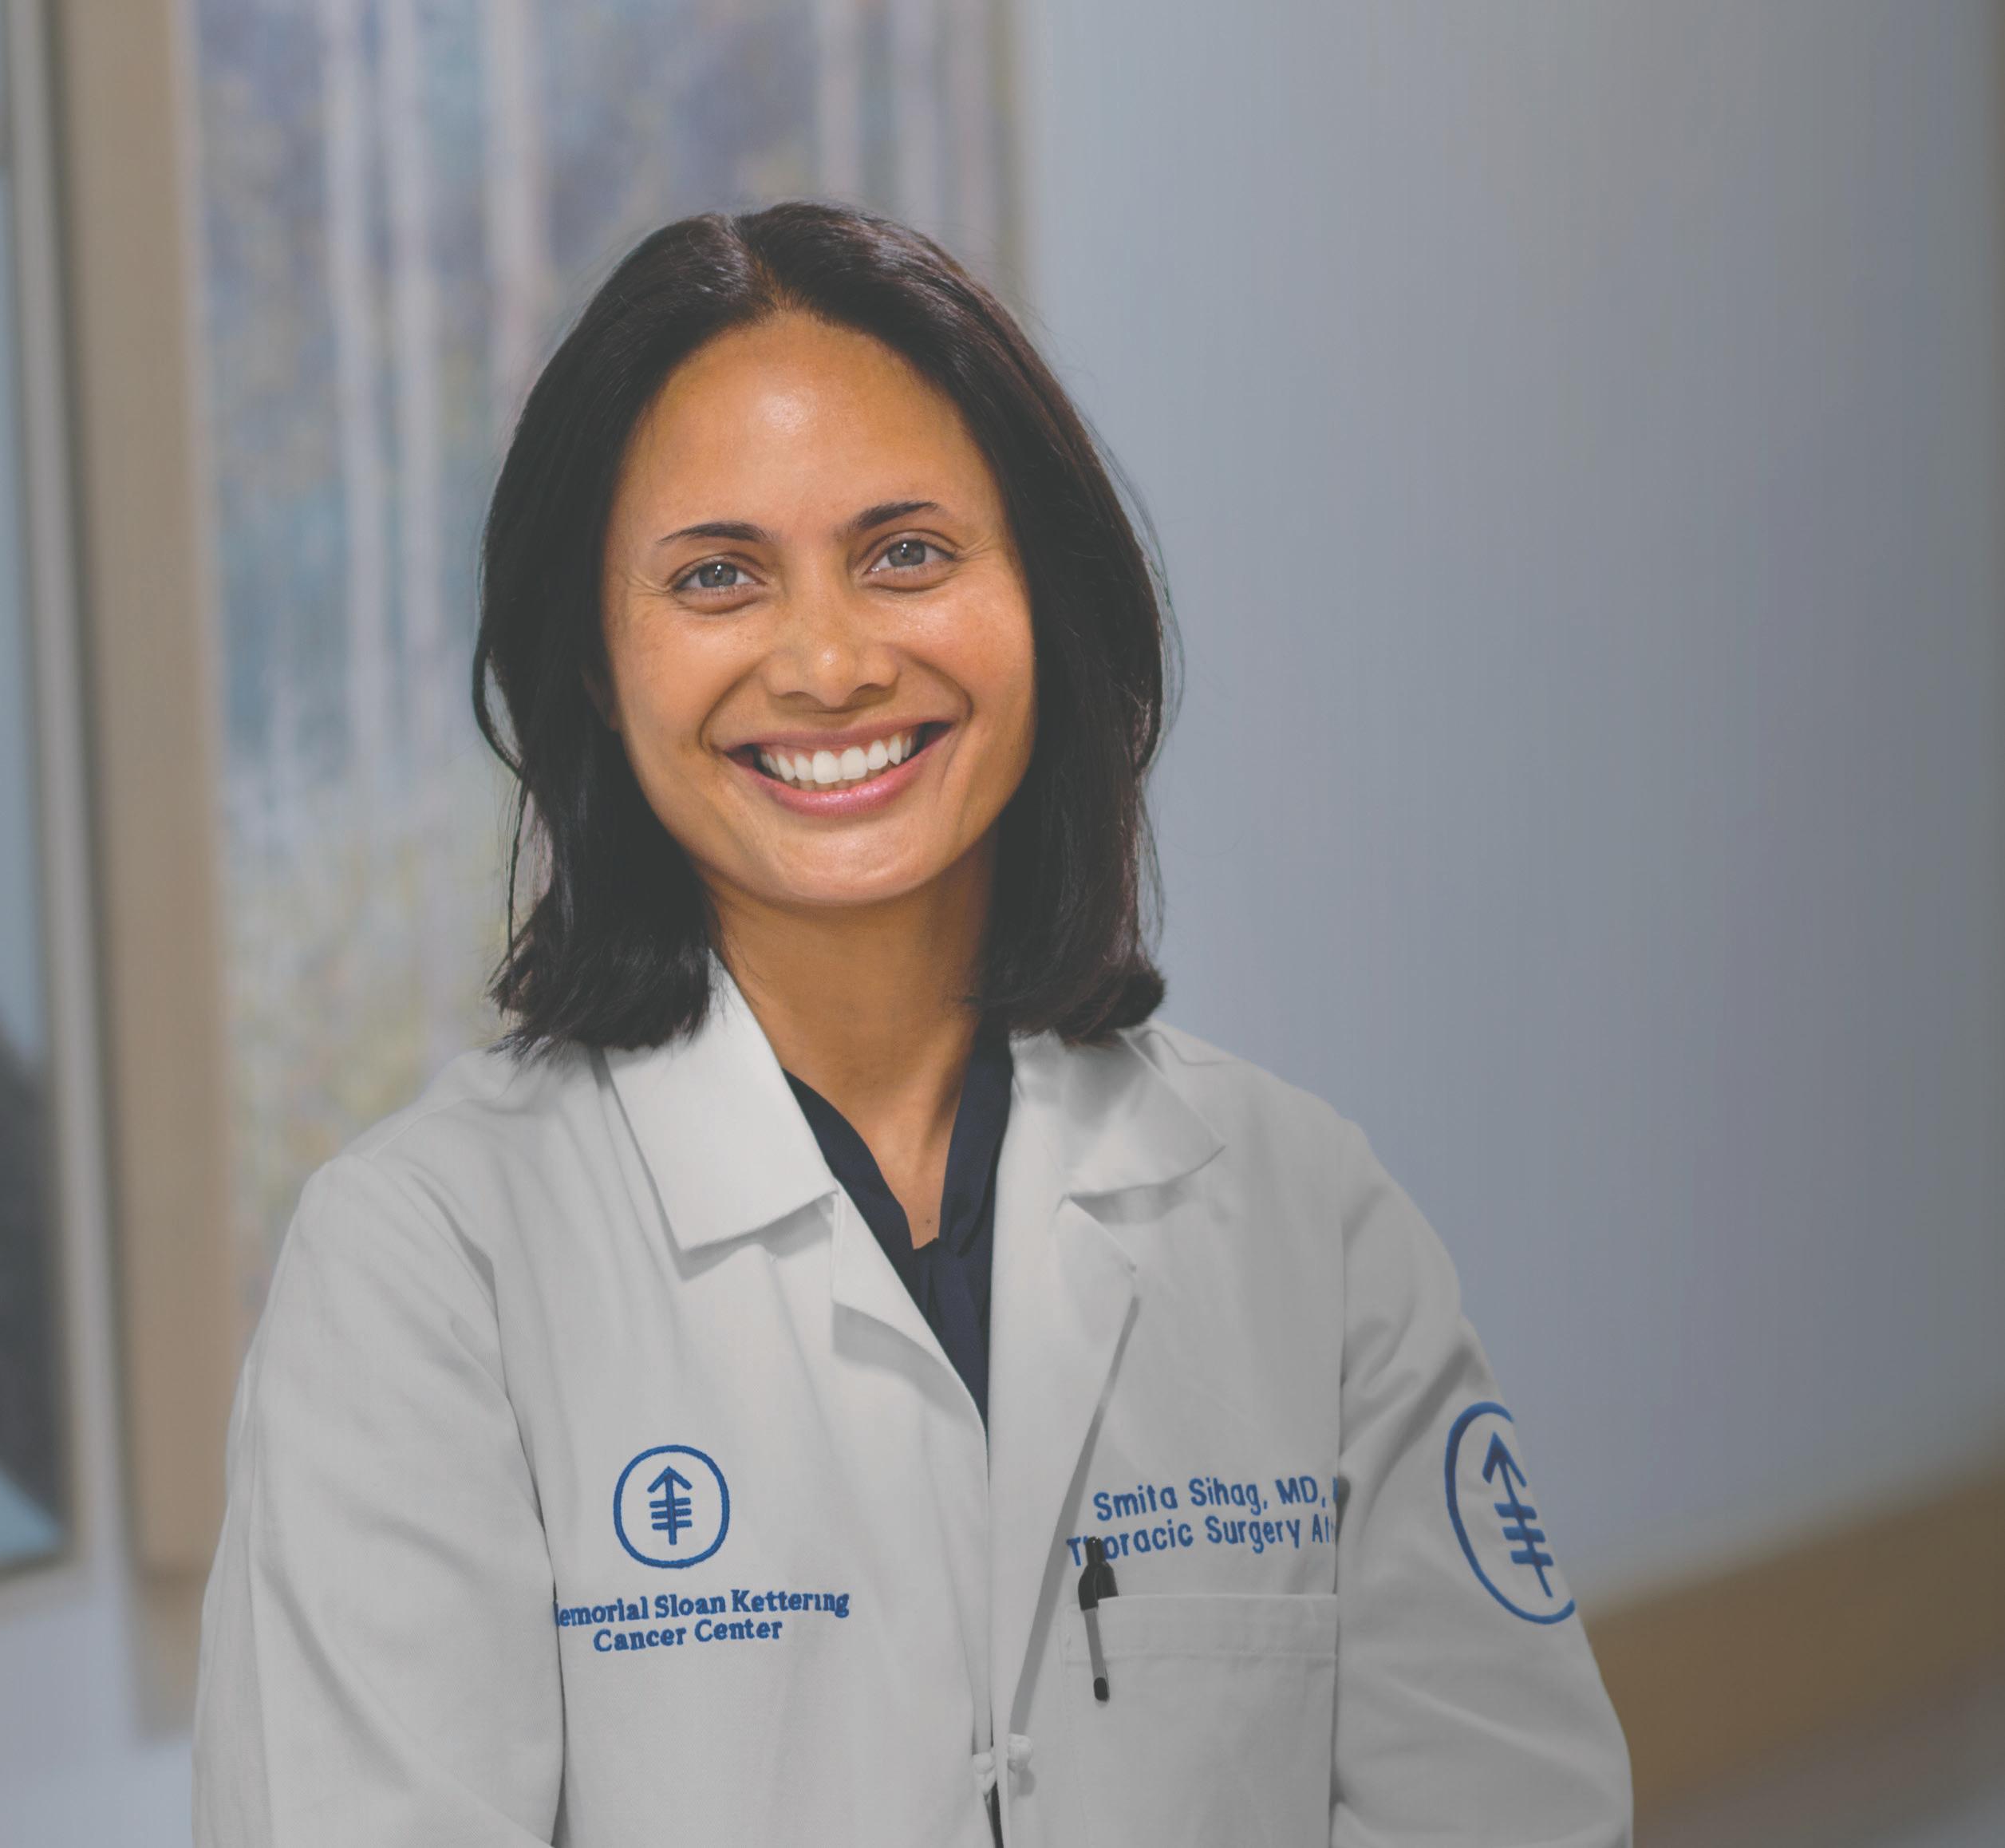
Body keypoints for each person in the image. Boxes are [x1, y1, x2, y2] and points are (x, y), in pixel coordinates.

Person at [192, 201, 1632, 1847]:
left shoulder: (1305, 1217)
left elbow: (1510, 1812)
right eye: (717, 576)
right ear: (594, 663)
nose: (828, 662)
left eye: (908, 554)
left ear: (1044, 600)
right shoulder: (425, 1270)